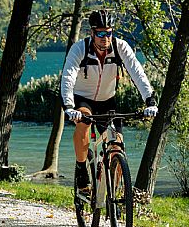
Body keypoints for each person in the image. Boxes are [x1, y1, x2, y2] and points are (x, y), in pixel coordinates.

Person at [61, 10, 158, 192]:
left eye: (109, 32)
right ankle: (82, 170)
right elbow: (68, 77)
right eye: (100, 33)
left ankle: (115, 195)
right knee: (84, 122)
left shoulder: (120, 47)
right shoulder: (79, 49)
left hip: (108, 101)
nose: (105, 38)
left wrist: (150, 100)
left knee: (117, 147)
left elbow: (138, 73)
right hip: (83, 99)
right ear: (92, 33)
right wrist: (68, 106)